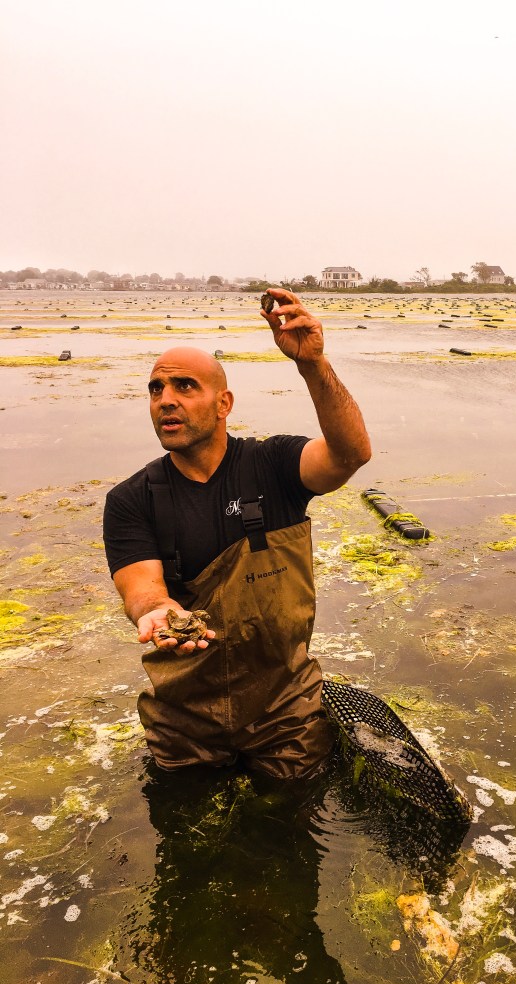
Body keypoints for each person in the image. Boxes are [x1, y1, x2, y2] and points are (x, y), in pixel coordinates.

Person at [103, 288, 371, 779]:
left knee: (290, 825)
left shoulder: (274, 465)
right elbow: (142, 590)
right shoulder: (131, 499)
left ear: (223, 402)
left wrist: (313, 365)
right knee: (186, 832)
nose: (166, 401)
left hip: (285, 711)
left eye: (185, 387)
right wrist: (159, 613)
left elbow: (350, 454)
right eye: (156, 390)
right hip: (184, 718)